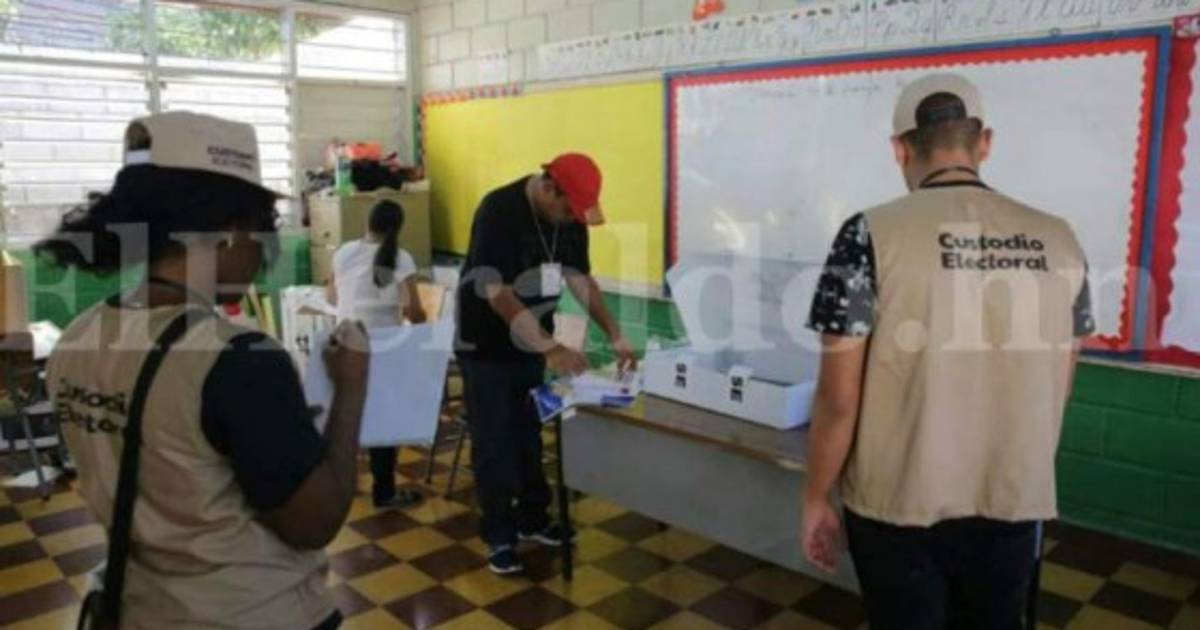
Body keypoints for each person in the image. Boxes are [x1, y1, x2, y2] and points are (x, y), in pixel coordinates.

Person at [41, 111, 370, 629]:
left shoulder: (76, 337)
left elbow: (169, 449)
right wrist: (352, 387)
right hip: (252, 615)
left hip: (139, 610)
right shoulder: (236, 357)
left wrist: (273, 428)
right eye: (264, 231)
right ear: (230, 232)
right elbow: (315, 522)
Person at [799, 74, 1094, 629]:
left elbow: (838, 398)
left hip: (898, 504)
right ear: (984, 143)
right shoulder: (1061, 239)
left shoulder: (865, 236)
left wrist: (816, 496)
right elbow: (1064, 376)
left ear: (900, 149)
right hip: (1012, 496)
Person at [455, 153, 637, 575]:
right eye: (568, 210)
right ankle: (499, 535)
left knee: (529, 434)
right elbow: (497, 293)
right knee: (495, 442)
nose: (572, 219)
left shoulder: (569, 217)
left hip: (533, 344)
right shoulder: (499, 211)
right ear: (549, 187)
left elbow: (579, 280)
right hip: (485, 345)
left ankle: (533, 518)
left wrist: (615, 333)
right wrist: (550, 348)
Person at [327, 199, 426, 509]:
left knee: (348, 416)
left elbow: (331, 296)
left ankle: (340, 483)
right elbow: (415, 312)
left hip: (343, 345)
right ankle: (384, 491)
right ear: (398, 228)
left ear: (367, 222)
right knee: (384, 418)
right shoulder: (401, 258)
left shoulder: (343, 252)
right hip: (382, 349)